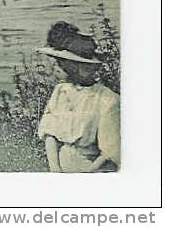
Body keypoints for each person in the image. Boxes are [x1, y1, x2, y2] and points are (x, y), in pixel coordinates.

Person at [36, 21, 120, 173]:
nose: (70, 68)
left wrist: (85, 175)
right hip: (60, 167)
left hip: (93, 169)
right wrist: (55, 169)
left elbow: (110, 152)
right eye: (70, 64)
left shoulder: (107, 99)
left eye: (84, 65)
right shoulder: (61, 91)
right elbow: (50, 133)